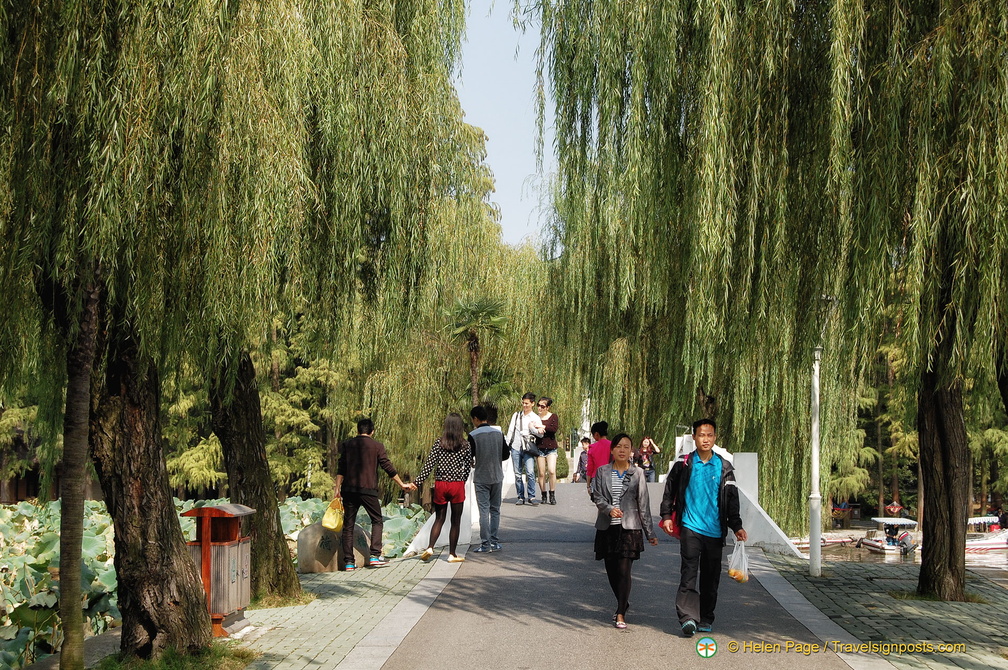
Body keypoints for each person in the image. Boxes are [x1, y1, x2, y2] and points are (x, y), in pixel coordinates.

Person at [659, 418, 747, 636]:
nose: (705, 439)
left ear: (714, 438)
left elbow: (731, 499)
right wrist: (667, 516)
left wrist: (736, 526)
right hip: (691, 527)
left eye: (709, 435)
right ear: (694, 437)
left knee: (711, 577)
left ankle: (706, 617)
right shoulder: (684, 464)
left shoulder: (724, 467)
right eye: (701, 435)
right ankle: (688, 617)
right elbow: (669, 491)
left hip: (715, 531)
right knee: (688, 573)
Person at [591, 433, 658, 629]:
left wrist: (650, 533)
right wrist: (609, 509)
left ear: (631, 451)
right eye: (618, 446)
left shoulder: (637, 473)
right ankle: (623, 600)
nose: (622, 450)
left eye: (626, 447)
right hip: (607, 528)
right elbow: (596, 496)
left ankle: (621, 611)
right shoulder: (602, 472)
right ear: (612, 449)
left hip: (629, 529)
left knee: (624, 570)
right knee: (611, 571)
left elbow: (643, 504)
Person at [335, 417, 416, 571]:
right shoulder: (377, 446)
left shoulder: (348, 444)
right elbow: (388, 467)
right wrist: (402, 484)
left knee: (348, 525)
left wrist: (337, 488)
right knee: (377, 520)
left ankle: (349, 563)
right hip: (368, 490)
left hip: (349, 490)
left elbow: (341, 467)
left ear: (358, 430)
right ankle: (374, 556)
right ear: (372, 431)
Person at [415, 413, 473, 563]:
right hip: (456, 484)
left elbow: (429, 465)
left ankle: (430, 547)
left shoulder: (438, 443)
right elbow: (467, 467)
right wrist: (462, 480)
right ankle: (452, 554)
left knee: (439, 518)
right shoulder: (465, 445)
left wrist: (417, 482)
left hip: (441, 484)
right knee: (455, 521)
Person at [469, 405, 509, 553]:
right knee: (495, 510)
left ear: (475, 419)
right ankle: (495, 542)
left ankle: (485, 544)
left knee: (484, 511)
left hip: (481, 477)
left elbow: (469, 456)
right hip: (497, 476)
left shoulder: (473, 435)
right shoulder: (498, 433)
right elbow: (505, 455)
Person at [505, 393, 545, 505]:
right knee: (517, 473)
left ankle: (531, 496)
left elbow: (541, 435)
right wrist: (507, 444)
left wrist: (531, 428)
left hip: (528, 448)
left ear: (532, 404)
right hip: (516, 447)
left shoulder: (535, 418)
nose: (524, 405)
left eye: (527, 403)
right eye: (523, 403)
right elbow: (510, 431)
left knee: (530, 472)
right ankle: (520, 496)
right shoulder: (516, 415)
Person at [535, 397, 560, 505]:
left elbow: (553, 429)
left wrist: (542, 426)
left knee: (551, 470)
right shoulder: (535, 417)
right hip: (539, 447)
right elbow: (531, 428)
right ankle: (543, 494)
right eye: (538, 405)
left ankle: (552, 494)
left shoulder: (553, 416)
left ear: (548, 407)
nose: (540, 408)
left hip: (551, 448)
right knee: (541, 473)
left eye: (542, 406)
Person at [585, 421, 612, 493]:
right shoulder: (613, 446)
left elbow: (590, 468)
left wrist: (588, 485)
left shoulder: (592, 447)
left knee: (599, 502)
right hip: (611, 478)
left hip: (596, 478)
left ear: (596, 434)